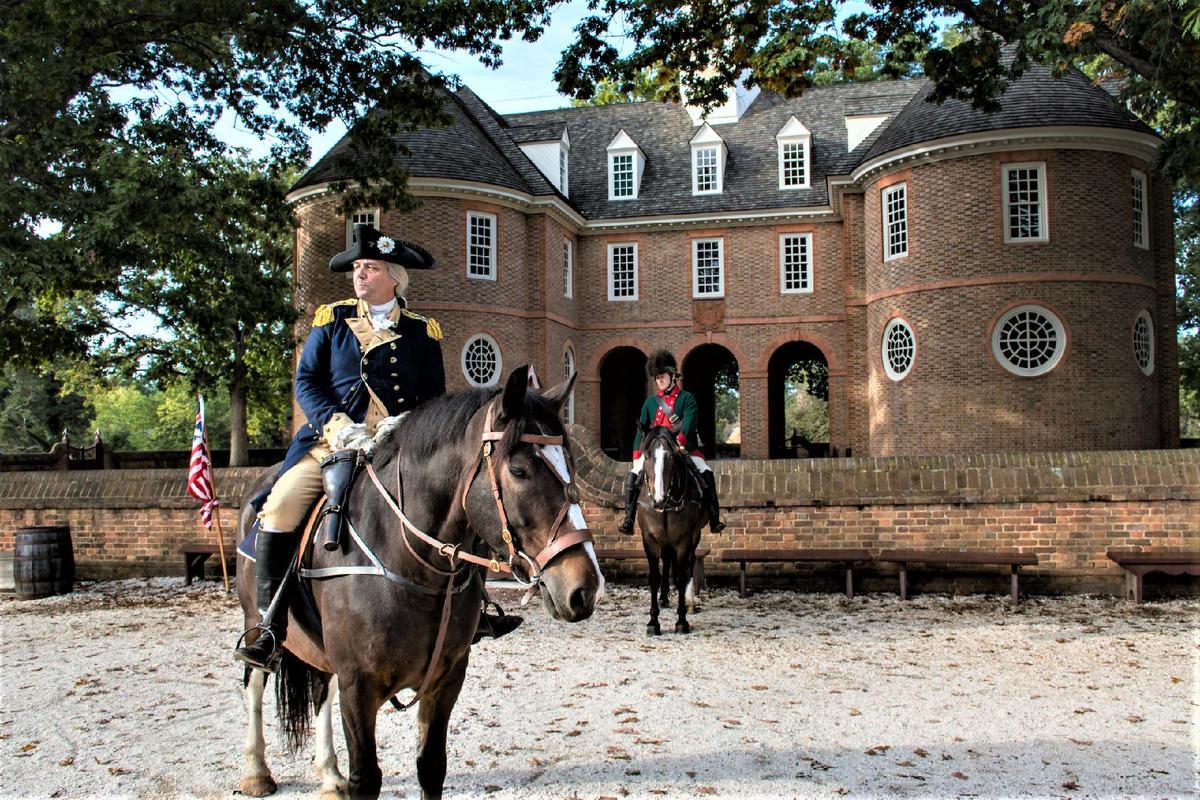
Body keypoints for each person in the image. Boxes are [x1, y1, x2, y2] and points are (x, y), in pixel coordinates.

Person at [234, 223, 520, 673]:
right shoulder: (332, 321)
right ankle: (268, 626)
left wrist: (404, 424)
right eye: (357, 268)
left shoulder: (423, 332)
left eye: (369, 267)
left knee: (460, 506)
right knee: (282, 507)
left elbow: (434, 399)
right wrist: (337, 423)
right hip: (331, 444)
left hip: (398, 449)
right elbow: (306, 381)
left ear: (394, 276)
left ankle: (474, 610)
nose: (359, 275)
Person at [618, 350, 725, 536]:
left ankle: (714, 519)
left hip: (684, 447)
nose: (660, 380)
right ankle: (629, 519)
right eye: (657, 377)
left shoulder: (687, 398)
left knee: (705, 472)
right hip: (655, 451)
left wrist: (680, 443)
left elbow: (690, 423)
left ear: (673, 377)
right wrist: (637, 454)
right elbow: (641, 429)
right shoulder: (650, 402)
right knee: (633, 475)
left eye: (663, 376)